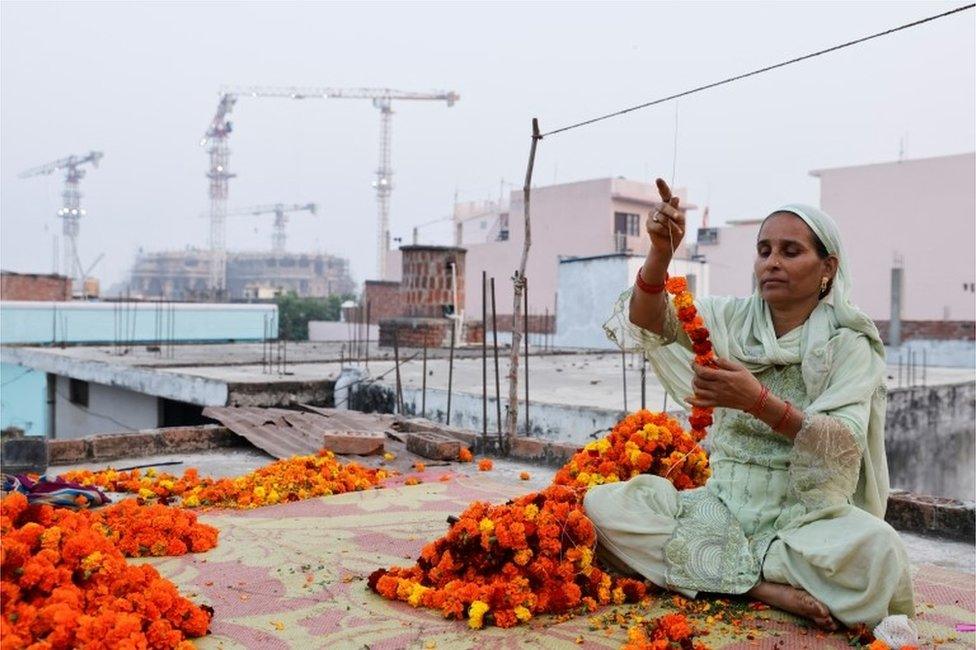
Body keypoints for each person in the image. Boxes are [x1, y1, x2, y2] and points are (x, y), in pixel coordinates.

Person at [585, 178, 915, 630]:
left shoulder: (849, 343)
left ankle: (720, 570)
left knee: (881, 553)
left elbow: (843, 446)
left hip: (804, 519)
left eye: (790, 251)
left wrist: (757, 402)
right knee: (604, 507)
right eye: (764, 251)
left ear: (828, 268)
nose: (772, 263)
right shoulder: (731, 318)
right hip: (721, 506)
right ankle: (763, 588)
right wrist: (661, 251)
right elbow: (647, 317)